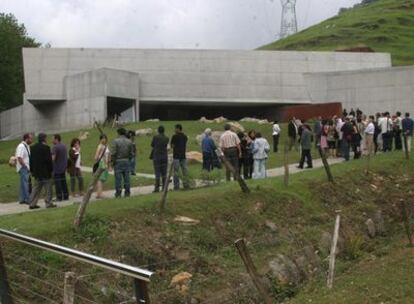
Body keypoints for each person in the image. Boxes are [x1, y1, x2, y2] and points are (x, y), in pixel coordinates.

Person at [29, 133, 56, 209]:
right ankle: (48, 203)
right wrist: (51, 170)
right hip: (45, 172)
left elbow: (31, 160)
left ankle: (32, 203)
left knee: (36, 188)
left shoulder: (33, 148)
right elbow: (49, 161)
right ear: (44, 139)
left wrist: (32, 170)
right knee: (48, 188)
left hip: (37, 172)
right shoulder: (46, 148)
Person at [111, 128, 133, 197]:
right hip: (126, 160)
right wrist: (129, 159)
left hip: (118, 161)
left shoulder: (115, 141)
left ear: (118, 133)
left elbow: (113, 153)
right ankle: (127, 192)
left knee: (118, 178)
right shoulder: (129, 141)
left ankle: (118, 192)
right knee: (127, 177)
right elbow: (131, 153)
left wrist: (113, 162)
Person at [15, 133, 33, 205]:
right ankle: (27, 199)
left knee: (23, 183)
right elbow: (19, 157)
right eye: (30, 138)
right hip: (23, 167)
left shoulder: (26, 146)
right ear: (27, 139)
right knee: (25, 183)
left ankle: (22, 199)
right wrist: (25, 166)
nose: (32, 140)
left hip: (25, 167)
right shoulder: (21, 146)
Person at [171, 124, 189, 190]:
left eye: (175, 128)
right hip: (183, 156)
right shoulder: (185, 136)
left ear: (178, 129)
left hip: (176, 156)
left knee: (176, 172)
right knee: (185, 171)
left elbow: (172, 146)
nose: (174, 130)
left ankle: (176, 186)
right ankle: (186, 184)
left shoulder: (174, 136)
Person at [151, 126, 169, 193]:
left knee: (157, 173)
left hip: (157, 157)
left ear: (158, 130)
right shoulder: (167, 138)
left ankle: (157, 188)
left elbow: (152, 145)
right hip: (164, 156)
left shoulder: (155, 137)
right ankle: (164, 188)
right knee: (164, 173)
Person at [51, 134, 69, 201]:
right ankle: (66, 195)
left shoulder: (55, 147)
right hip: (63, 167)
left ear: (56, 139)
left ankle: (59, 197)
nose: (52, 140)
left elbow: (53, 158)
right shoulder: (64, 146)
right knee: (63, 182)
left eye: (53, 139)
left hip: (57, 168)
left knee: (58, 183)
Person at [95, 134, 111, 199]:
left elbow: (108, 155)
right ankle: (99, 194)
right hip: (102, 163)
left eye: (105, 138)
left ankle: (99, 192)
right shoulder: (100, 146)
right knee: (100, 179)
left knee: (103, 179)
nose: (104, 140)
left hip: (106, 163)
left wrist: (108, 164)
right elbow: (96, 157)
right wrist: (102, 160)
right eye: (102, 138)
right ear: (100, 139)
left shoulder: (106, 146)